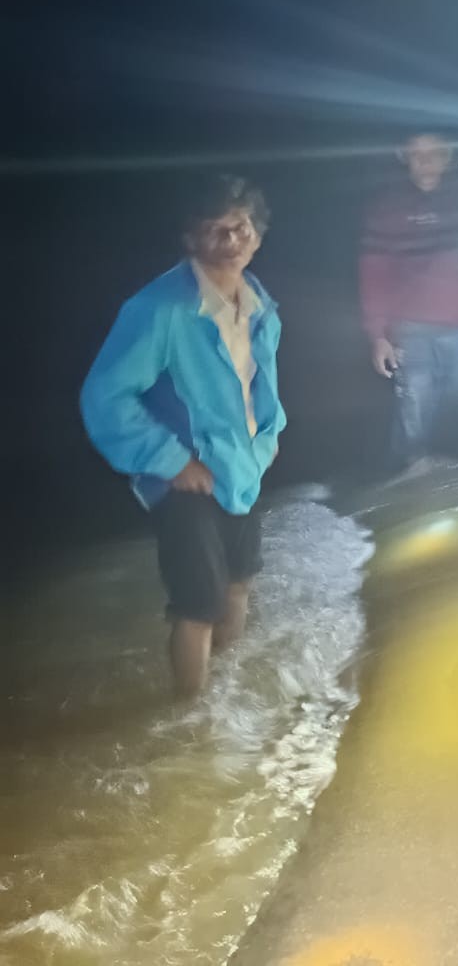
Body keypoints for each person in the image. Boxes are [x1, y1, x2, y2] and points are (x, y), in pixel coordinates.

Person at [80, 174, 286, 698]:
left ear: (257, 233)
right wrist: (170, 460)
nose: (231, 241)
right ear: (191, 239)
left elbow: (259, 382)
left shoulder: (260, 301)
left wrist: (271, 433)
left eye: (239, 227)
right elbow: (104, 398)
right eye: (214, 231)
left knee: (240, 583)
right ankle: (191, 725)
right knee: (198, 606)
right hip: (183, 479)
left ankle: (224, 696)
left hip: (242, 465)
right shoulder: (158, 309)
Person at [359, 132, 458, 475]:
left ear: (446, 157)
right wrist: (378, 335)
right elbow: (373, 273)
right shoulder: (388, 209)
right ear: (405, 158)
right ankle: (411, 475)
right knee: (414, 409)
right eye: (417, 155)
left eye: (434, 154)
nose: (425, 162)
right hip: (412, 330)